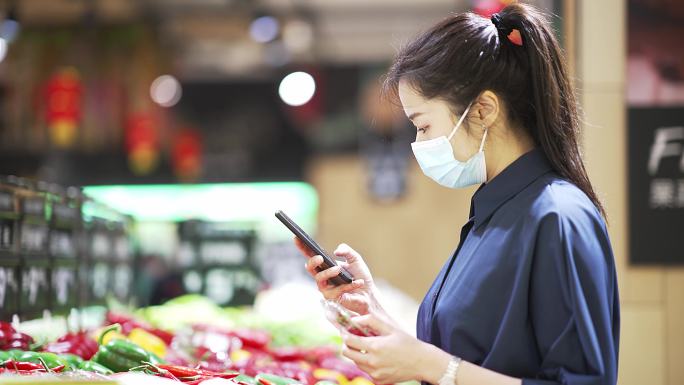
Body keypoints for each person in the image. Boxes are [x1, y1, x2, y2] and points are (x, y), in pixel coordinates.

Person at [295, 3, 619, 385]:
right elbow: (469, 355)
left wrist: (429, 366)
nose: (419, 144)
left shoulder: (558, 217)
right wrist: (372, 308)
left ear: (483, 109)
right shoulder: (493, 212)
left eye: (423, 126)